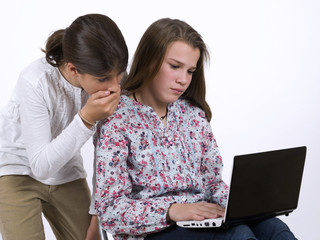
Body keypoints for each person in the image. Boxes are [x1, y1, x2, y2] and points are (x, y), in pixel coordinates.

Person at [93, 18, 297, 240]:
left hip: (200, 220)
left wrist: (240, 206)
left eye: (190, 71)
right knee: (239, 235)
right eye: (175, 66)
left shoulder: (193, 115)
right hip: (153, 231)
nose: (183, 80)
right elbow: (111, 211)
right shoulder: (117, 119)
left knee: (273, 228)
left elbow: (212, 183)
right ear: (149, 60)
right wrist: (172, 210)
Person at [0, 14, 128, 240]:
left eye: (119, 75)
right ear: (73, 69)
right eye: (103, 79)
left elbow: (108, 153)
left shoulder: (111, 77)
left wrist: (96, 212)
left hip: (65, 168)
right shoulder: (35, 81)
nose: (114, 86)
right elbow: (40, 165)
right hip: (15, 169)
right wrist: (87, 118)